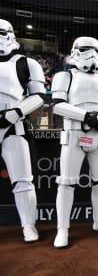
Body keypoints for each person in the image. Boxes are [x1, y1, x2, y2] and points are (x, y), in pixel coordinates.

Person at [51, 37, 98, 248]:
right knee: (66, 182)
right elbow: (57, 104)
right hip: (74, 133)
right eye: (85, 49)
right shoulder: (65, 76)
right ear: (74, 51)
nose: (90, 53)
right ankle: (62, 229)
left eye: (95, 50)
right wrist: (86, 116)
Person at [0, 19, 45, 242]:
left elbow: (38, 96)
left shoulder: (27, 63)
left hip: (13, 125)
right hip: (12, 122)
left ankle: (28, 225)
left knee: (23, 179)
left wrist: (15, 112)